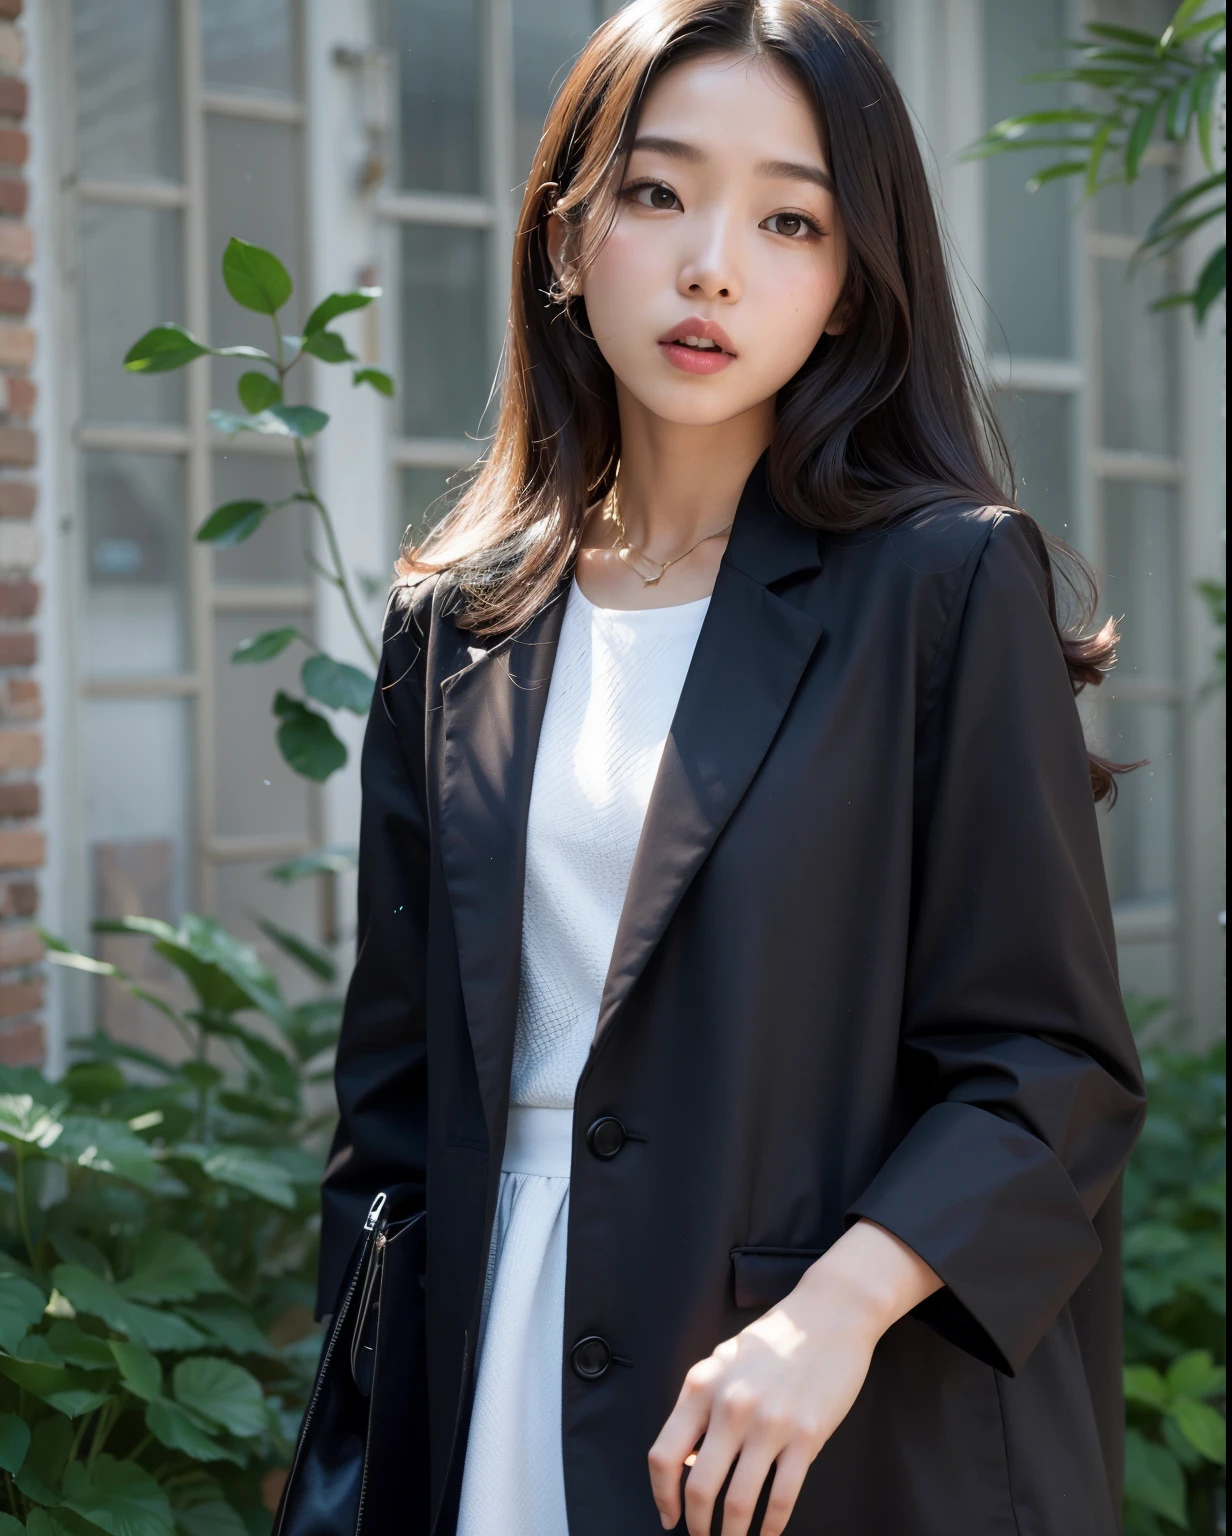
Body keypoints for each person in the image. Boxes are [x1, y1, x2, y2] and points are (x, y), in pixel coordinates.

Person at [317, 3, 1147, 1532]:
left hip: (812, 1414)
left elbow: (1049, 1071)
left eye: (790, 219)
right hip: (487, 1379)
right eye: (656, 192)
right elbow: (392, 1106)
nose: (714, 262)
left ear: (845, 287)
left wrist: (829, 1318)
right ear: (565, 238)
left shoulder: (943, 587)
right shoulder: (459, 622)